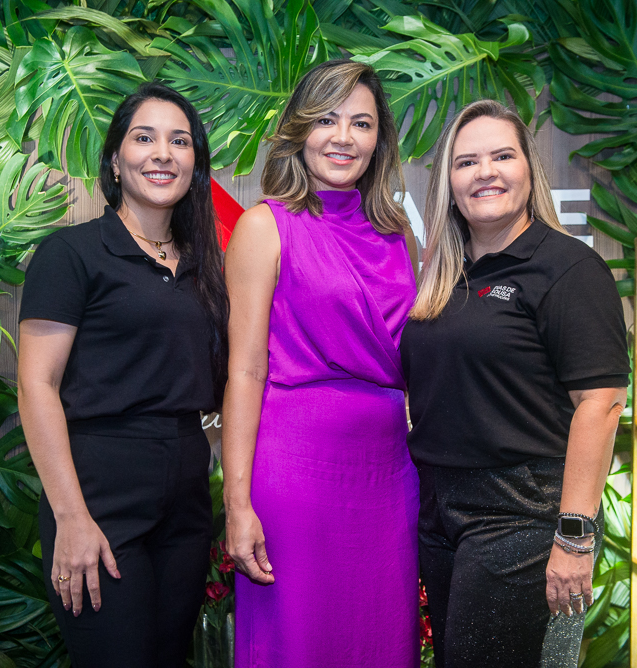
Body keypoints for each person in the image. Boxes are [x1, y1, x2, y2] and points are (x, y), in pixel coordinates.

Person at [400, 99, 630, 668]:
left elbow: (600, 404)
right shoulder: (443, 279)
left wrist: (575, 537)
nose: (485, 173)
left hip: (521, 511)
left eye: (502, 156)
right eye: (466, 161)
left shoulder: (568, 269)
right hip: (439, 508)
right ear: (449, 183)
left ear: (530, 168)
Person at [16, 82, 228, 667]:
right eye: (144, 137)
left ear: (194, 163)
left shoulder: (206, 266)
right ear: (115, 157)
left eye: (179, 141)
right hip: (99, 492)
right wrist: (71, 518)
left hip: (186, 497)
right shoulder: (72, 253)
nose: (163, 153)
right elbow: (36, 387)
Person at [222, 59, 420, 667]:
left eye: (361, 123)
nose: (343, 137)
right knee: (297, 643)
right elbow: (245, 371)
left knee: (381, 642)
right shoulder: (265, 226)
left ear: (378, 139)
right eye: (327, 119)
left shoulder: (400, 236)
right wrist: (237, 501)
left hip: (387, 479)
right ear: (298, 129)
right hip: (297, 476)